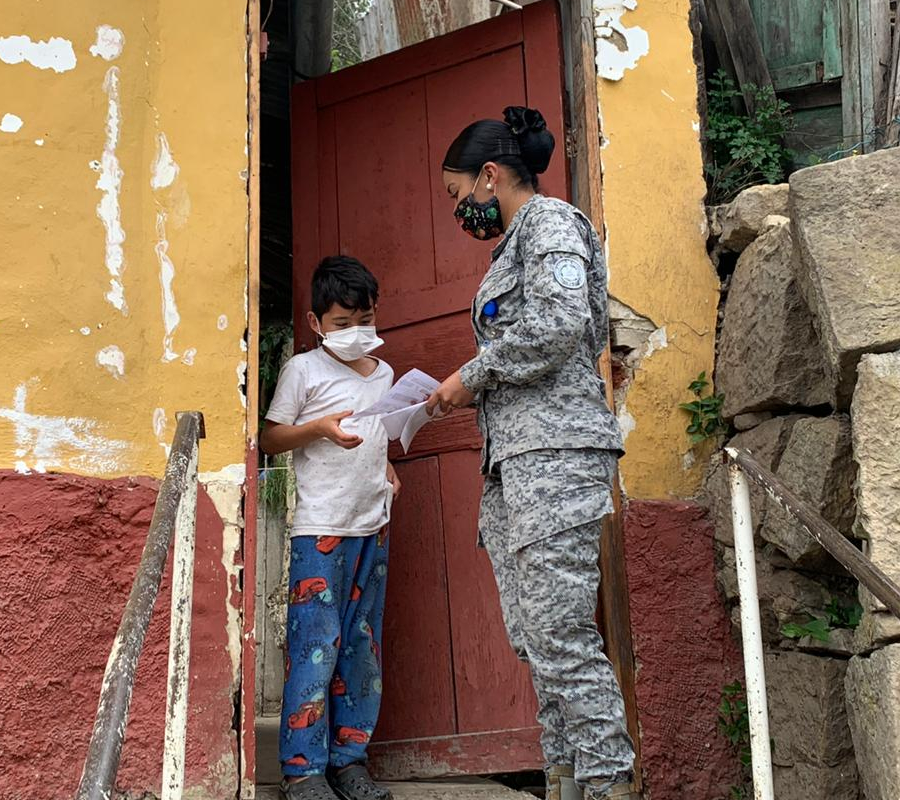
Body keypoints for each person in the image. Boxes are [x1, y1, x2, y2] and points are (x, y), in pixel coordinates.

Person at [425, 106, 637, 800]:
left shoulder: (549, 223)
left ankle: (607, 783)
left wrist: (470, 376)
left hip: (559, 454)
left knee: (562, 636)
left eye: (460, 196)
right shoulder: (512, 245)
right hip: (515, 462)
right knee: (537, 640)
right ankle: (565, 779)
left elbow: (557, 325)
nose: (463, 212)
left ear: (491, 175)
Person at [261, 256, 400, 800]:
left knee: (362, 647)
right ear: (317, 323)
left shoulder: (385, 373)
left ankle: (350, 760)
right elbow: (271, 439)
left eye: (364, 319)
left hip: (374, 524)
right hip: (319, 528)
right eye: (342, 323)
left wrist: (384, 465)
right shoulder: (303, 371)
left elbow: (377, 432)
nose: (355, 331)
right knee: (316, 644)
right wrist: (317, 428)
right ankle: (302, 769)